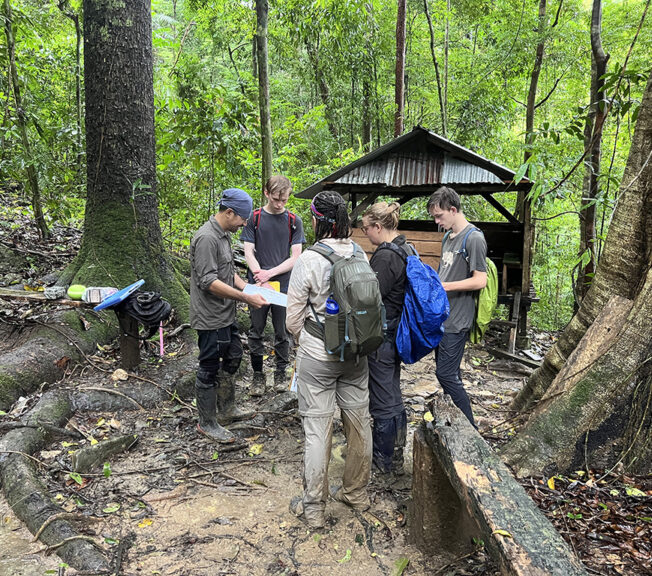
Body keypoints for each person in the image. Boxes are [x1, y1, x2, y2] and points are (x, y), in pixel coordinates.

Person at [285, 191, 372, 529]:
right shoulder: (359, 252)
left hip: (318, 355)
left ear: (318, 220)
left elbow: (293, 318)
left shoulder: (309, 259)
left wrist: (301, 340)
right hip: (356, 354)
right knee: (359, 423)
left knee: (318, 429)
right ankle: (356, 494)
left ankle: (313, 509)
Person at [190, 188, 268, 443]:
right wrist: (245, 298)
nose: (245, 224)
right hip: (209, 316)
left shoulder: (223, 235)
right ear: (229, 212)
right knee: (209, 366)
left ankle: (226, 409)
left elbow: (226, 272)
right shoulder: (206, 238)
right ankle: (207, 422)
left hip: (226, 314)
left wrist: (247, 287)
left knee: (234, 356)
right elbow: (208, 281)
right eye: (242, 219)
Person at [428, 186, 487, 427]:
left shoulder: (473, 238)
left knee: (445, 374)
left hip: (458, 319)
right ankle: (457, 423)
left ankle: (470, 427)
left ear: (453, 210)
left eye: (439, 215)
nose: (437, 221)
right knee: (451, 374)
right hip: (443, 317)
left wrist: (445, 287)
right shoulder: (447, 237)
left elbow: (480, 280)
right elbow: (446, 271)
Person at [242, 175, 305, 396]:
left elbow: (295, 256)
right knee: (256, 330)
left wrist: (271, 273)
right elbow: (248, 250)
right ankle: (258, 376)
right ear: (267, 193)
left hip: (283, 284)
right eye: (276, 199)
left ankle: (280, 373)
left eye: (284, 200)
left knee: (283, 330)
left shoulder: (294, 221)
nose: (279, 204)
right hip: (258, 283)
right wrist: (260, 274)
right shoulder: (254, 218)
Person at [360, 202, 409, 480]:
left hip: (383, 337)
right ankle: (396, 453)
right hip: (395, 333)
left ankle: (385, 460)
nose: (366, 233)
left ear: (378, 227)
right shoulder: (405, 247)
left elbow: (370, 297)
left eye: (367, 228)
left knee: (382, 400)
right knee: (392, 393)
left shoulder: (386, 257)